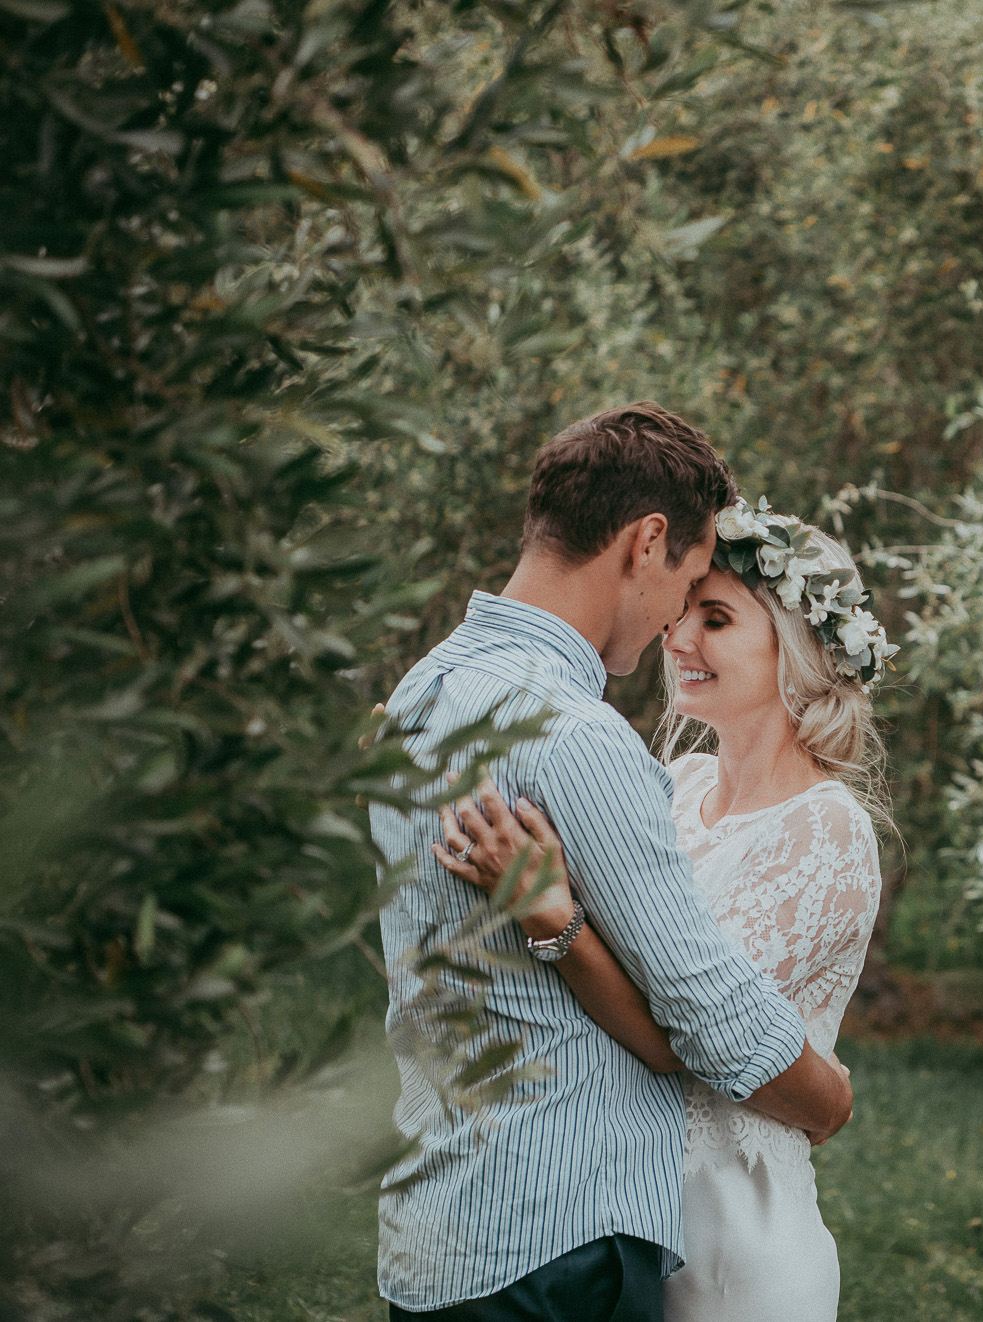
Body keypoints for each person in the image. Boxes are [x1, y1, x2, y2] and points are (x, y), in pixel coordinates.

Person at [369, 405, 854, 1322]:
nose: (678, 621)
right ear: (648, 542)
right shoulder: (575, 735)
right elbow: (703, 1017)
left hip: (436, 1222)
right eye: (689, 582)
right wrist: (827, 1098)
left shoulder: (422, 692)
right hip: (556, 1237)